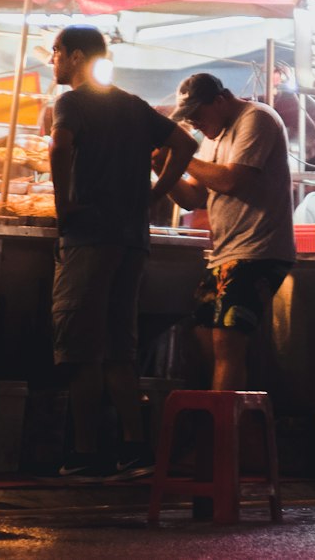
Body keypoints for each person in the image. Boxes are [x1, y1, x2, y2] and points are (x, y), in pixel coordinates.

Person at [49, 25, 196, 480]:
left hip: (90, 237)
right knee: (119, 348)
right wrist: (156, 194)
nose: (52, 61)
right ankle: (136, 449)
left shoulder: (72, 102)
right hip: (132, 240)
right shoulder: (131, 104)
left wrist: (63, 205)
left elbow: (59, 147)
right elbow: (185, 144)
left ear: (74, 56)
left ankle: (86, 452)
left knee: (81, 348)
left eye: (55, 53)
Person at [166, 73, 296, 391]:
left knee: (227, 342)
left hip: (258, 251)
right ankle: (223, 414)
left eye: (198, 113)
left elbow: (231, 180)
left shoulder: (257, 119)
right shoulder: (213, 136)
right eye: (189, 117)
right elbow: (195, 197)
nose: (195, 123)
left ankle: (222, 434)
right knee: (200, 335)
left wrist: (183, 158)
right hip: (225, 253)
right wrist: (163, 169)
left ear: (221, 100)